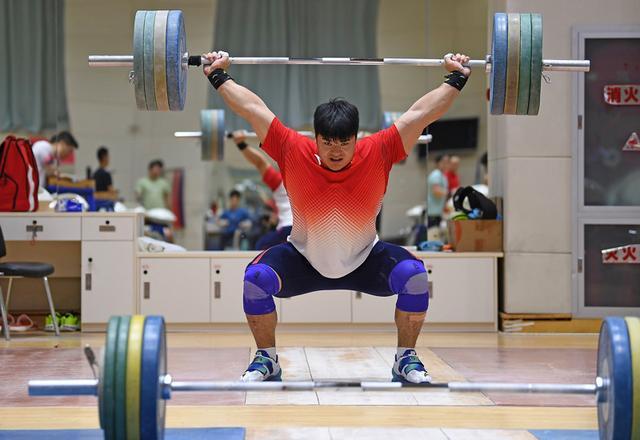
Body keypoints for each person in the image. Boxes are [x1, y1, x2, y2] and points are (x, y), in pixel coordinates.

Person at [203, 50, 471, 384]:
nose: (335, 150)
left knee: (415, 276)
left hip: (365, 260)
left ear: (356, 137)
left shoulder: (379, 150)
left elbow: (420, 113)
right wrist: (217, 75)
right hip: (302, 259)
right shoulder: (292, 149)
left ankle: (405, 359)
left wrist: (457, 77)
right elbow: (253, 109)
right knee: (255, 280)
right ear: (314, 137)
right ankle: (266, 359)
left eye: (344, 142)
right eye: (327, 142)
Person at [231, 131, 293, 250]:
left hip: (287, 229)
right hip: (307, 235)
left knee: (260, 246)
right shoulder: (312, 179)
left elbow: (260, 163)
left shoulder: (280, 182)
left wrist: (241, 144)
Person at [427, 154, 450, 228]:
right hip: (432, 212)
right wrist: (450, 193)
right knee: (433, 234)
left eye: (447, 162)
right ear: (437, 163)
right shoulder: (436, 174)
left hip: (438, 211)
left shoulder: (442, 175)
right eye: (444, 162)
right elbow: (436, 190)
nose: (446, 164)